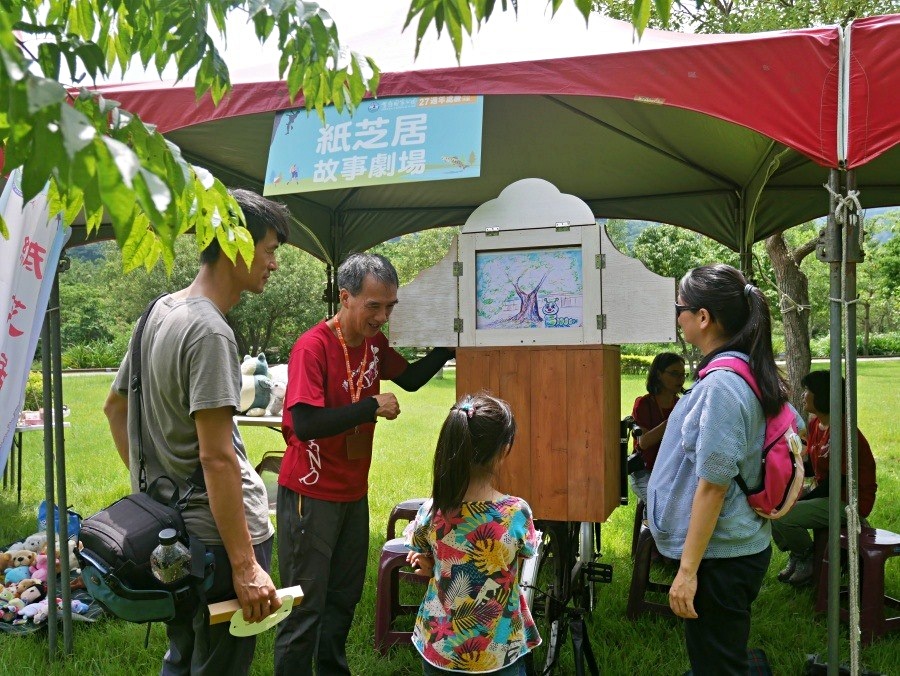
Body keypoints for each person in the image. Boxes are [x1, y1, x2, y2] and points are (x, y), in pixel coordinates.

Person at [103, 190, 290, 675]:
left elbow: (114, 409)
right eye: (269, 250)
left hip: (172, 539)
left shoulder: (158, 313)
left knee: (182, 656)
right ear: (235, 245)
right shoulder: (209, 332)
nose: (273, 264)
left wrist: (161, 498)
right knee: (219, 665)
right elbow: (217, 458)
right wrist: (247, 566)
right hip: (219, 544)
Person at [275, 252, 455, 675]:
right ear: (346, 297)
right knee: (305, 606)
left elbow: (408, 378)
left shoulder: (374, 345)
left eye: (389, 306)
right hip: (310, 494)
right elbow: (304, 423)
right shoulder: (312, 346)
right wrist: (370, 406)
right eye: (374, 306)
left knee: (342, 599)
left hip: (353, 493)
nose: (382, 316)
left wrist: (448, 346)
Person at [647, 264, 783, 675]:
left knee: (718, 665)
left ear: (703, 317)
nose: (678, 316)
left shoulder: (722, 386)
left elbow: (714, 486)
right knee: (719, 654)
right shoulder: (743, 368)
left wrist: (687, 573)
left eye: (680, 307)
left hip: (722, 557)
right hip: (735, 544)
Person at [405, 393, 541, 675]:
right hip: (499, 648)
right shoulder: (516, 513)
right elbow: (526, 553)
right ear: (504, 450)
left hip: (439, 647)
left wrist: (430, 562)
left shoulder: (433, 509)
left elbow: (421, 549)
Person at [772, 370, 877, 586]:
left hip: (846, 501)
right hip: (827, 493)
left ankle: (807, 559)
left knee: (783, 515)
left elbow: (838, 483)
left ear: (823, 394)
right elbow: (812, 466)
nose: (803, 395)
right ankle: (798, 553)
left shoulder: (844, 432)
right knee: (773, 505)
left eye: (808, 390)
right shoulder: (815, 425)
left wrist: (798, 500)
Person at [628, 352, 686, 503]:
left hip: (672, 471)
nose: (680, 379)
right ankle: (649, 524)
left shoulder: (681, 403)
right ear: (659, 374)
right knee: (661, 506)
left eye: (683, 374)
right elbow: (644, 442)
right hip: (645, 472)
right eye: (674, 373)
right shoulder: (644, 403)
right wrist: (673, 419)